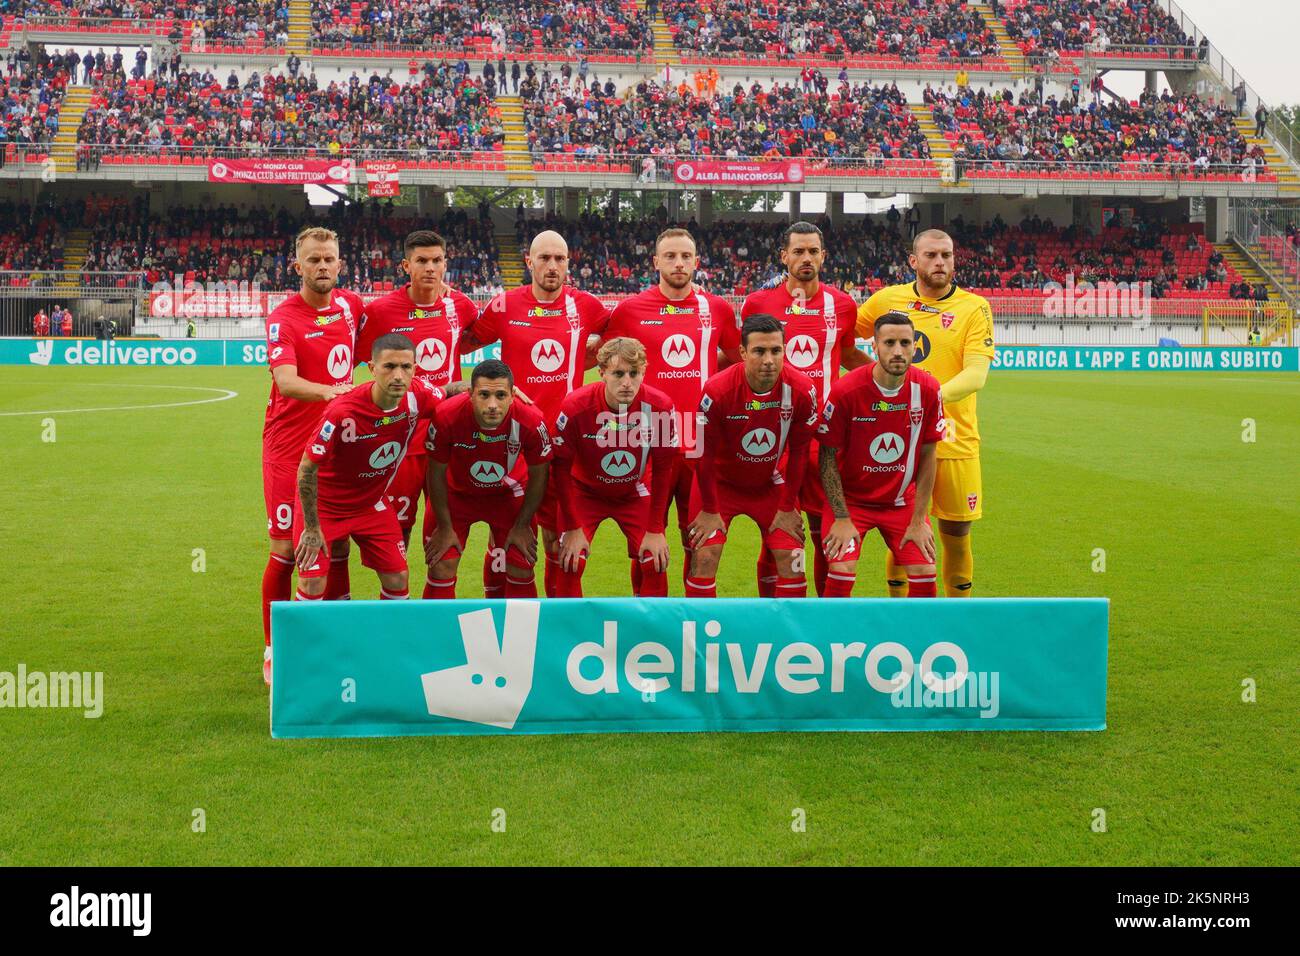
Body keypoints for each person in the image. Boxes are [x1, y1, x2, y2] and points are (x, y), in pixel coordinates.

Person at [461, 230, 610, 596]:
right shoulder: (504, 305)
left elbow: (618, 341)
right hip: (512, 441)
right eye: (544, 258)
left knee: (555, 541)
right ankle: (500, 614)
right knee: (506, 539)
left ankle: (554, 620)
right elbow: (462, 342)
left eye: (559, 259)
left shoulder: (586, 306)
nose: (552, 266)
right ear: (529, 262)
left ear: (568, 264)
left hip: (563, 443)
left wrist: (583, 359)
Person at [856, 228, 995, 598]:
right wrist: (871, 382)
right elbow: (837, 341)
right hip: (899, 439)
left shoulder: (974, 307)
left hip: (954, 440)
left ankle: (956, 617)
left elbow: (976, 374)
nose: (940, 262)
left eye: (946, 255)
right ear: (913, 261)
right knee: (902, 533)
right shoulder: (888, 299)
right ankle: (900, 616)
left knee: (957, 536)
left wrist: (920, 400)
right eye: (931, 255)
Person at [601, 227, 740, 586]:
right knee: (648, 546)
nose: (679, 263)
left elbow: (739, 359)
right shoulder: (630, 311)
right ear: (656, 262)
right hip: (649, 441)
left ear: (696, 261)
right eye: (670, 256)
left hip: (702, 443)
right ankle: (651, 631)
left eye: (685, 256)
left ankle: (691, 628)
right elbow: (605, 362)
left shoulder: (718, 308)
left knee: (698, 543)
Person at [259, 226, 365, 683]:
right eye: (314, 260)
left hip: (337, 450)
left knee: (336, 542)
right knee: (287, 550)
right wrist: (335, 393)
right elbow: (285, 381)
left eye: (330, 259)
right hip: (288, 450)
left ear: (340, 264)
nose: (323, 266)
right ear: (297, 266)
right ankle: (273, 649)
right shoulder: (283, 318)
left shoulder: (350, 306)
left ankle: (333, 634)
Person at [740, 221, 868, 597]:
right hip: (774, 438)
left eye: (813, 251)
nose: (806, 258)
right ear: (784, 256)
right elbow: (742, 359)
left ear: (823, 256)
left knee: (824, 531)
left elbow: (844, 353)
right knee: (778, 531)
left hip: (825, 438)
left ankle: (822, 621)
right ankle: (773, 614)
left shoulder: (842, 304)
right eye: (798, 251)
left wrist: (900, 379)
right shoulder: (758, 303)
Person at [291, 334, 445, 626]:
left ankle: (391, 647)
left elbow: (448, 392)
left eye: (406, 367)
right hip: (325, 507)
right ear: (372, 368)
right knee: (312, 583)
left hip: (370, 506)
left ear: (415, 368)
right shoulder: (342, 411)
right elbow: (307, 469)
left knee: (398, 576)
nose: (398, 375)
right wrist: (311, 527)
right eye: (389, 367)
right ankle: (306, 657)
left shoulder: (418, 395)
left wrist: (503, 393)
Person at [353, 230, 479, 552]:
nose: (430, 268)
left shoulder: (460, 305)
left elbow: (474, 338)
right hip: (403, 436)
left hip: (449, 433)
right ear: (406, 266)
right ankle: (399, 593)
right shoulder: (382, 312)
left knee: (446, 530)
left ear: (446, 263)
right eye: (421, 261)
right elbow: (355, 362)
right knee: (399, 531)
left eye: (437, 260)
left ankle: (436, 592)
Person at [686, 314, 820, 597]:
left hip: (772, 483)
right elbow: (703, 455)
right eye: (759, 351)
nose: (769, 359)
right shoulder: (717, 390)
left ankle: (786, 638)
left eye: (776, 350)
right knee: (705, 557)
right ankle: (700, 638)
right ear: (744, 353)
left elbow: (798, 454)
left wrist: (786, 509)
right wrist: (709, 510)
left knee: (792, 562)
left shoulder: (802, 390)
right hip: (720, 486)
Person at [818, 312, 944, 598]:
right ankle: (832, 640)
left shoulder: (928, 389)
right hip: (851, 503)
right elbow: (827, 456)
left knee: (925, 575)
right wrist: (840, 516)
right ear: (873, 346)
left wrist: (919, 520)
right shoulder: (846, 391)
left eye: (905, 343)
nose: (898, 351)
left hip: (901, 504)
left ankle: (915, 641)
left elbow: (928, 454)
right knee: (841, 570)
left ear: (915, 346)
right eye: (889, 343)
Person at [551, 337, 677, 597]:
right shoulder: (575, 407)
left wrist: (655, 529)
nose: (627, 382)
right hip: (584, 492)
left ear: (644, 372)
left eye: (634, 373)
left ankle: (649, 632)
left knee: (655, 559)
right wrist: (573, 529)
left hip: (634, 490)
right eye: (618, 373)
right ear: (602, 373)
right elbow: (560, 470)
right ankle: (570, 632)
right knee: (570, 561)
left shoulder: (660, 407)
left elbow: (664, 469)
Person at [423, 360, 552, 599]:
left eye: (501, 395)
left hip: (508, 495)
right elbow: (436, 472)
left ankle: (519, 635)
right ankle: (439, 635)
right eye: (484, 395)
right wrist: (444, 526)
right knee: (441, 564)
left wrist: (523, 525)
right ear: (470, 394)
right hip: (456, 496)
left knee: (521, 564)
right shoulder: (445, 416)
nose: (493, 405)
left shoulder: (532, 420)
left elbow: (539, 475)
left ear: (513, 395)